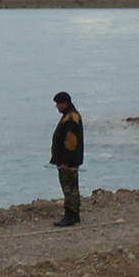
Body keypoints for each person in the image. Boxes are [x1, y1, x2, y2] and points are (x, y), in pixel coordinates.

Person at [50, 91, 84, 227]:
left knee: (69, 187)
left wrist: (65, 162)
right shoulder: (70, 116)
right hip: (70, 160)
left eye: (58, 104)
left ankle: (69, 215)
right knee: (72, 186)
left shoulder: (71, 118)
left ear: (65, 103)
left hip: (68, 162)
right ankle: (75, 214)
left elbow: (70, 141)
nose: (57, 106)